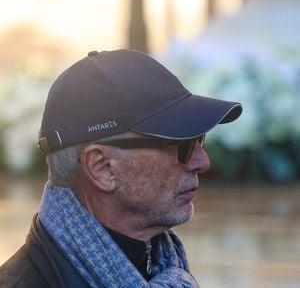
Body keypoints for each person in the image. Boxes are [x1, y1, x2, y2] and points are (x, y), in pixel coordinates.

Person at [0, 49, 242, 287]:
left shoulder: (163, 269)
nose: (202, 162)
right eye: (181, 142)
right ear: (102, 168)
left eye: (200, 138)